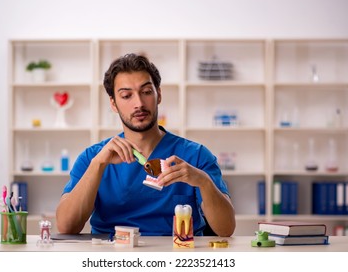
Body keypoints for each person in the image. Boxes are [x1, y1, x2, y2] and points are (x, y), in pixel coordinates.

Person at [55, 53, 236, 237]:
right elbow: (66, 227)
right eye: (126, 96)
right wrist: (98, 165)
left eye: (147, 92)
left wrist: (203, 182)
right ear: (114, 104)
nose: (139, 104)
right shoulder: (93, 158)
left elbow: (226, 229)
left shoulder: (195, 155)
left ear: (159, 95)